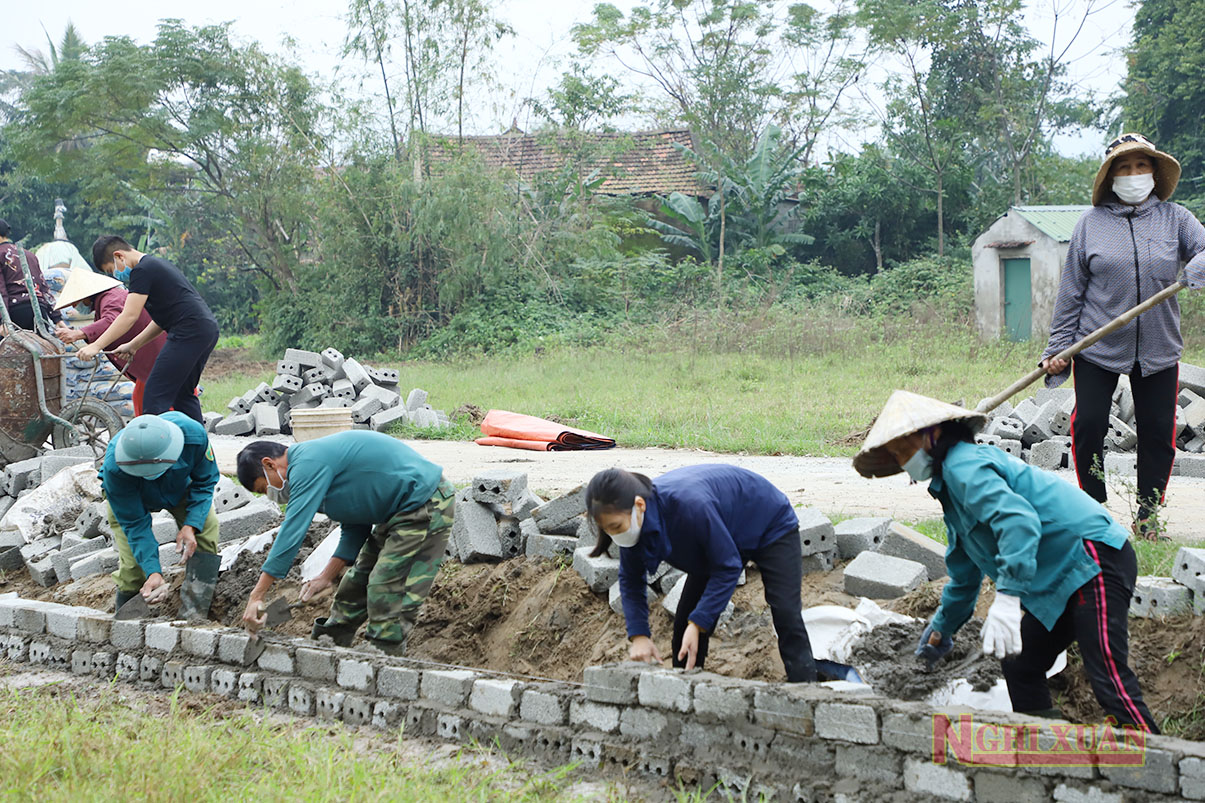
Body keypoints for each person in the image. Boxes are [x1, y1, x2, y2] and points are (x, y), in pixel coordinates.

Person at [854, 389, 1159, 732]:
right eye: (897, 456)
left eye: (904, 449)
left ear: (932, 434)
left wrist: (1009, 596)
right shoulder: (952, 495)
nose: (903, 461)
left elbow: (1018, 521)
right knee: (1020, 663)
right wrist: (942, 628)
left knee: (1107, 676)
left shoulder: (964, 465)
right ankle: (1045, 753)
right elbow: (964, 579)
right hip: (1062, 578)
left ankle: (1162, 769)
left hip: (1090, 560)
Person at [1040, 133, 1205, 539]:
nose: (1134, 174)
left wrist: (1196, 269)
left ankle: (1148, 516)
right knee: (1089, 423)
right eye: (1124, 167)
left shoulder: (1176, 219)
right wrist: (1058, 349)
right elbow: (1071, 292)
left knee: (1157, 430)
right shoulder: (1090, 225)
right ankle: (1092, 510)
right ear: (1111, 176)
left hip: (1158, 347)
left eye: (1141, 166)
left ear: (1154, 171)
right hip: (1098, 345)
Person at [586, 464, 818, 682]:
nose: (613, 535)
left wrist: (698, 624)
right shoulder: (633, 526)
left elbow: (728, 566)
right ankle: (684, 694)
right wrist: (640, 636)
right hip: (716, 538)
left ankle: (806, 691)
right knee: (683, 626)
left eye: (615, 526)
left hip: (768, 522)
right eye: (605, 529)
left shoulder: (688, 506)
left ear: (639, 505)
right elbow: (631, 581)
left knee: (786, 613)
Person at [235, 431, 455, 655]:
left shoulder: (306, 464)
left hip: (424, 503)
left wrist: (258, 595)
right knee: (354, 583)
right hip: (396, 511)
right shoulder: (312, 470)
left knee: (386, 584)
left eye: (264, 488)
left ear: (269, 464)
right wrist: (325, 577)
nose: (270, 495)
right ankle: (326, 651)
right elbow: (354, 525)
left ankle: (382, 660)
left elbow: (292, 531)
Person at [78, 236, 218, 423]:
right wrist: (134, 344)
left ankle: (156, 450)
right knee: (183, 394)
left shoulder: (142, 270)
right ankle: (200, 451)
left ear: (119, 256)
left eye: (112, 270)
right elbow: (161, 321)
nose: (116, 275)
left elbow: (129, 316)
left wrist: (96, 345)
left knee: (154, 395)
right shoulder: (155, 266)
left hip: (188, 331)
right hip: (204, 329)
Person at [101, 412, 221, 610]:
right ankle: (127, 621)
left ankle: (195, 612)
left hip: (182, 488)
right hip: (133, 496)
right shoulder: (114, 469)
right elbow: (134, 524)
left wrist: (191, 524)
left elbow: (205, 480)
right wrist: (153, 572)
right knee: (133, 566)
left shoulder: (193, 437)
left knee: (204, 536)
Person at [52, 268, 167, 416]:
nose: (75, 307)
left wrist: (79, 334)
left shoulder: (112, 297)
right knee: (141, 402)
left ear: (87, 296)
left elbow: (111, 321)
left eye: (75, 302)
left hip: (156, 358)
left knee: (162, 405)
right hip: (149, 363)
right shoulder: (105, 302)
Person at [0, 218, 63, 331]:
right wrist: (57, 318)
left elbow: (1, 291)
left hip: (15, 313)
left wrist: (2, 321)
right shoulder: (29, 255)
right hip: (40, 311)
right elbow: (44, 288)